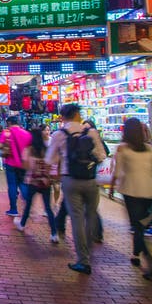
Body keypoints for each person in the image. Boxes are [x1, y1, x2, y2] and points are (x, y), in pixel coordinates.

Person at [45, 103, 107, 275]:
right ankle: (89, 250)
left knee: (77, 218)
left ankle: (83, 259)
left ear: (62, 117)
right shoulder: (91, 132)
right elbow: (102, 156)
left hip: (70, 180)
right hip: (90, 180)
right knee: (91, 215)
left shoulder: (59, 134)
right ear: (78, 115)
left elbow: (50, 159)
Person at [111, 118, 152, 280]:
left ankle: (149, 259)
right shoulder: (150, 150)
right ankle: (135, 254)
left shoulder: (123, 149)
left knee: (137, 227)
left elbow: (117, 172)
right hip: (149, 192)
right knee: (139, 226)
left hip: (131, 192)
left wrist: (111, 187)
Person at [16, 126, 58, 243]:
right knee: (48, 208)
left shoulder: (29, 149)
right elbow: (51, 165)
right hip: (45, 182)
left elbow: (25, 166)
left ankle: (22, 224)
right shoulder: (47, 150)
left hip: (32, 181)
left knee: (29, 204)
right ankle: (54, 233)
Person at [1, 116, 30, 217]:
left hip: (10, 163)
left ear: (9, 122)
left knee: (12, 186)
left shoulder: (6, 133)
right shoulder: (26, 133)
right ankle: (28, 206)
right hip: (23, 164)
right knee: (23, 184)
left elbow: (0, 146)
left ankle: (13, 209)